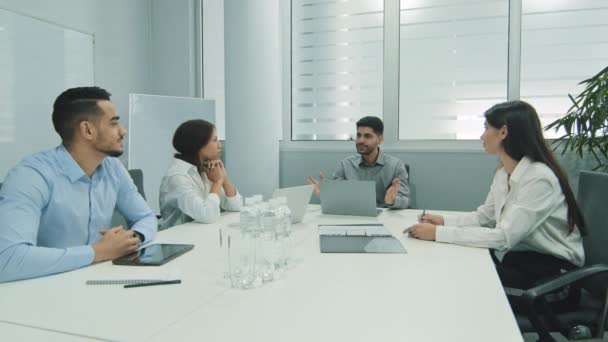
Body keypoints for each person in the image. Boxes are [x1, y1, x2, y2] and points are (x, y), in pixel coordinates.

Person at [405, 100, 585, 311]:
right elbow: (484, 218)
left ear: (503, 132)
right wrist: (443, 221)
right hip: (522, 266)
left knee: (457, 285)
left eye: (486, 128)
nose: (482, 136)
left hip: (551, 282)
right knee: (457, 273)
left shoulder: (539, 178)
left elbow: (504, 237)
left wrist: (438, 233)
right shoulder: (503, 173)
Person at [0, 87, 157, 283]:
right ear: (87, 130)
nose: (123, 131)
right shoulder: (31, 175)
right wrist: (97, 252)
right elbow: (7, 260)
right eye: (114, 123)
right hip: (43, 289)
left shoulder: (112, 168)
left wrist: (132, 238)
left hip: (95, 279)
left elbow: (146, 216)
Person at [307, 116, 410, 209]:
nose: (361, 140)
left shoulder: (396, 166)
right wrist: (327, 195)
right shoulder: (345, 165)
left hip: (385, 218)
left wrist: (392, 201)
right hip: (353, 217)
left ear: (380, 139)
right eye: (358, 135)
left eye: (367, 136)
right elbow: (338, 198)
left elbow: (405, 200)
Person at [159, 119, 241, 229]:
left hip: (200, 233)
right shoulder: (178, 177)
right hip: (180, 240)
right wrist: (217, 182)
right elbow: (208, 215)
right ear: (198, 144)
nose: (219, 145)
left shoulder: (206, 169)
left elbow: (236, 206)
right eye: (215, 140)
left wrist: (224, 178)